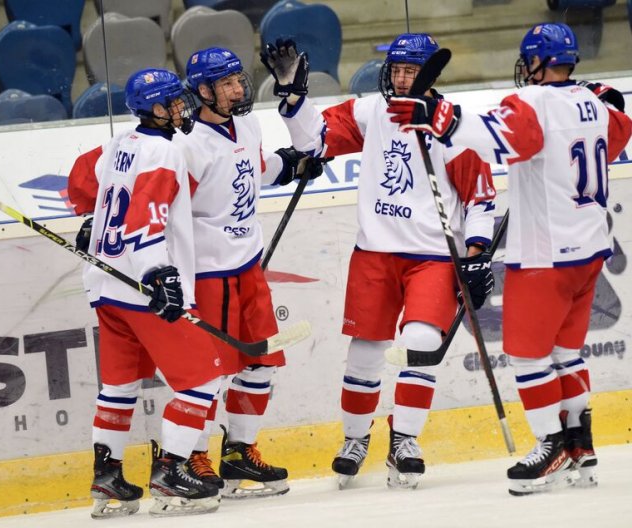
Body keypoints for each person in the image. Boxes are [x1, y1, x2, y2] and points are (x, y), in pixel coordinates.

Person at [387, 22, 632, 495]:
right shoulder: (594, 104)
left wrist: (438, 114)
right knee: (566, 354)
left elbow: (489, 135)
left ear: (537, 62)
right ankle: (581, 443)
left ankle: (550, 446)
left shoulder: (532, 104)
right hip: (589, 253)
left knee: (526, 358)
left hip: (545, 258)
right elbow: (620, 128)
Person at [260, 34, 497, 489]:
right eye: (397, 70)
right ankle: (354, 439)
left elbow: (481, 200)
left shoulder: (451, 126)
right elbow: (316, 141)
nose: (402, 78)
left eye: (412, 71)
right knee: (365, 354)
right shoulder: (371, 112)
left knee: (422, 342)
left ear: (429, 75)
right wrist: (294, 99)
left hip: (432, 259)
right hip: (375, 255)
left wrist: (476, 254)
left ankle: (404, 438)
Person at [68, 68, 226, 517]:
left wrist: (92, 222)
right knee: (202, 380)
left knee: (119, 387)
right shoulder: (164, 151)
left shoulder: (121, 144)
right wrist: (161, 274)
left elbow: (93, 182)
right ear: (156, 109)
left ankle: (108, 478)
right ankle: (172, 473)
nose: (183, 107)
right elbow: (143, 220)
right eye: (175, 102)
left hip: (105, 285)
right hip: (140, 287)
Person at [172, 47, 325, 499]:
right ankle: (193, 455)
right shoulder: (186, 144)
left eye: (239, 80)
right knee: (210, 374)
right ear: (202, 92)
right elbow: (167, 209)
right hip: (207, 276)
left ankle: (240, 453)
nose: (239, 89)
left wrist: (293, 165)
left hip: (248, 268)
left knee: (261, 364)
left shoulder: (249, 123)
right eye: (227, 84)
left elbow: (255, 170)